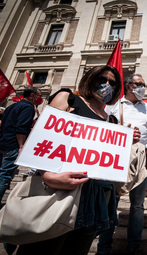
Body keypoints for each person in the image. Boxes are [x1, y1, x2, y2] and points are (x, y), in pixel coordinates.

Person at [16, 65, 140, 255]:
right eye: (101, 79)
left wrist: (125, 141)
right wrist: (47, 176)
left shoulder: (112, 121)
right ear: (90, 79)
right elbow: (40, 139)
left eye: (113, 83)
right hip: (58, 191)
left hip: (94, 197)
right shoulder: (67, 99)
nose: (107, 85)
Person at [98, 73, 147, 255]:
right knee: (111, 202)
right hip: (117, 158)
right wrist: (124, 135)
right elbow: (104, 131)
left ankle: (134, 245)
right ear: (129, 85)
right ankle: (104, 246)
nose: (143, 88)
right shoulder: (114, 105)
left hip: (142, 159)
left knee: (137, 204)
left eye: (143, 85)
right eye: (140, 84)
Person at [0, 87, 41, 203]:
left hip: (3, 142)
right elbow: (21, 128)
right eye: (38, 95)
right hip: (13, 144)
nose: (39, 99)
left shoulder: (11, 106)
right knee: (5, 175)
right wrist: (21, 146)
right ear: (32, 95)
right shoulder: (28, 108)